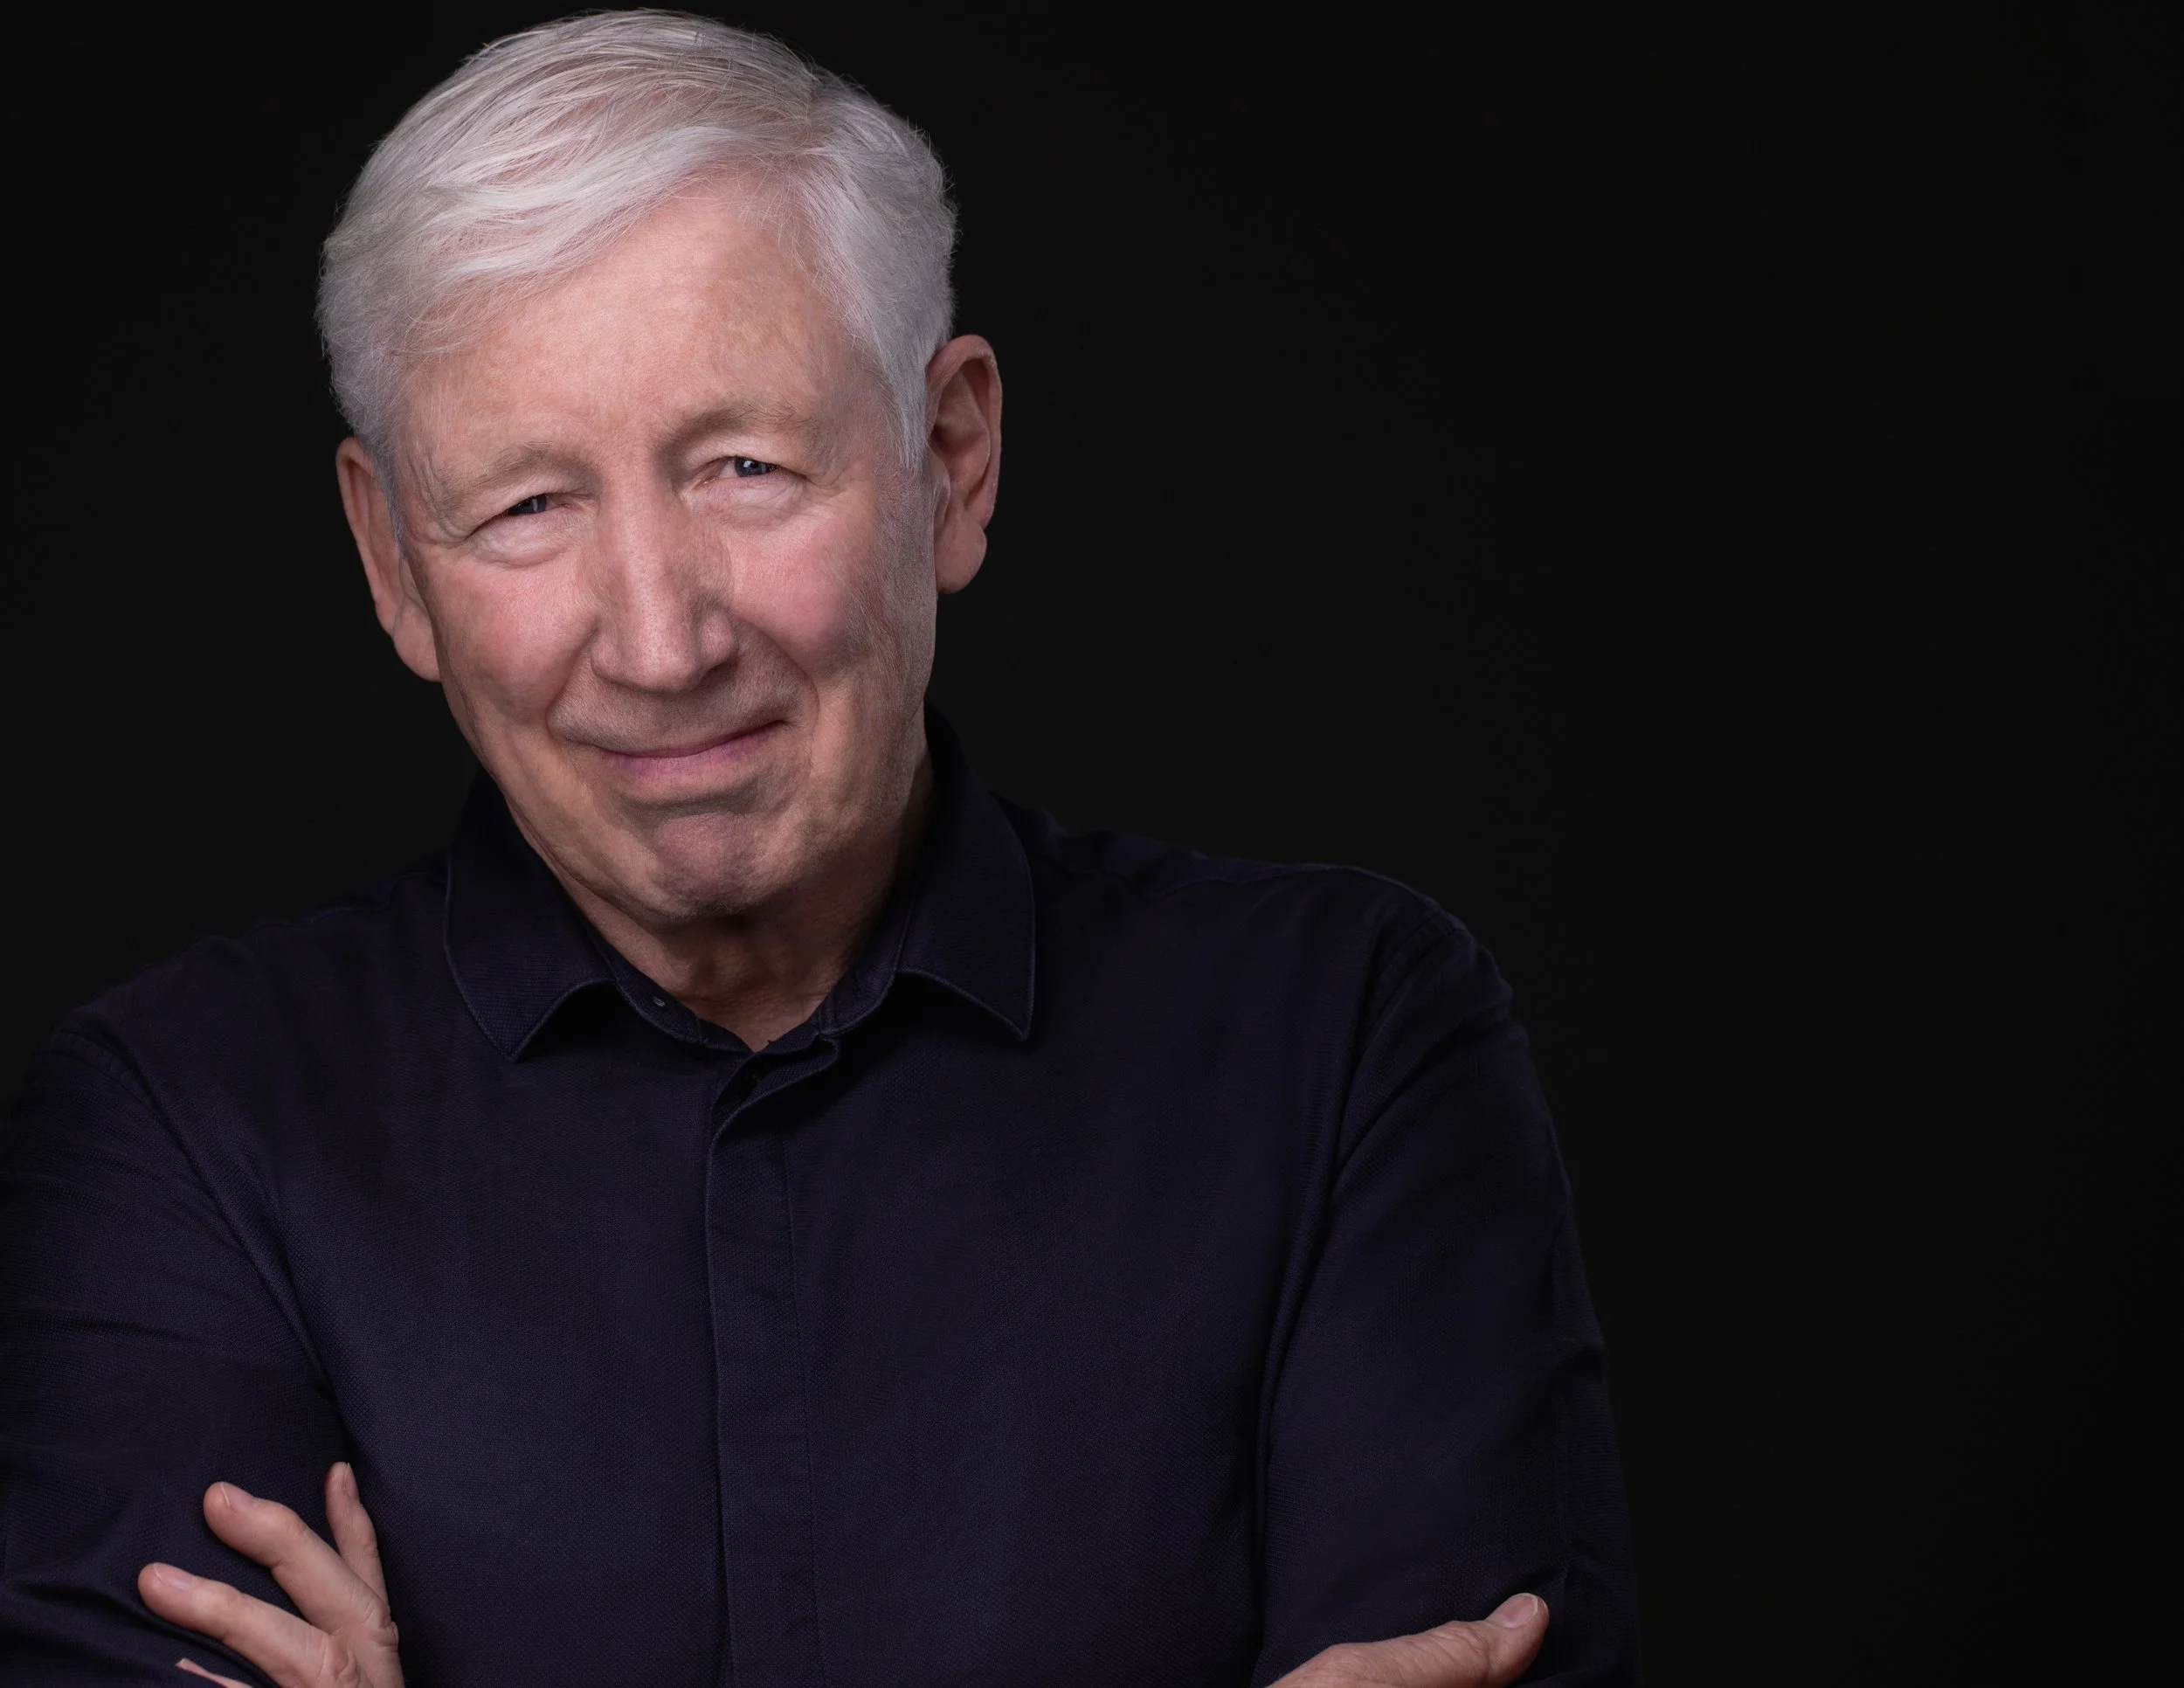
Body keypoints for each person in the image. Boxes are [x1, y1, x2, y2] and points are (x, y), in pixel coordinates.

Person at [0, 13, 1637, 1685]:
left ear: (954, 461)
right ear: (391, 559)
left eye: (747, 466)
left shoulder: (1349, 1043)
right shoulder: (175, 1133)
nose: (659, 643)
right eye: (527, 506)